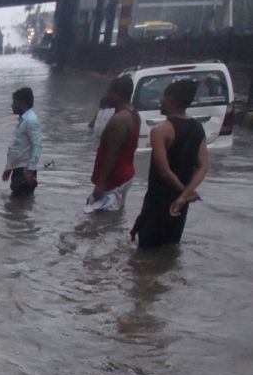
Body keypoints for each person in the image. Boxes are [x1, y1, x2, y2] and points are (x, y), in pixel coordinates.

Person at [130, 79, 209, 248]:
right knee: (169, 249)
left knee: (146, 252)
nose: (161, 101)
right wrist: (185, 196)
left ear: (172, 99)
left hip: (157, 201)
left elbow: (164, 171)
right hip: (180, 206)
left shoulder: (160, 131)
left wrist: (183, 193)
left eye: (163, 97)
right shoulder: (198, 128)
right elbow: (203, 166)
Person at [85, 77, 140, 213]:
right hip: (124, 176)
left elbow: (113, 153)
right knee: (111, 221)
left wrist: (101, 184)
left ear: (118, 94)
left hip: (113, 181)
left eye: (109, 92)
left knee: (99, 225)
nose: (106, 95)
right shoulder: (134, 115)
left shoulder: (119, 120)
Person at [2, 87, 42, 197]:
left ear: (22, 103)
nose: (12, 105)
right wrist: (8, 168)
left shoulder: (31, 121)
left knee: (20, 206)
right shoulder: (23, 120)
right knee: (19, 207)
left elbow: (37, 145)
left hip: (25, 171)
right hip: (19, 169)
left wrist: (30, 169)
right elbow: (18, 147)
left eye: (14, 102)